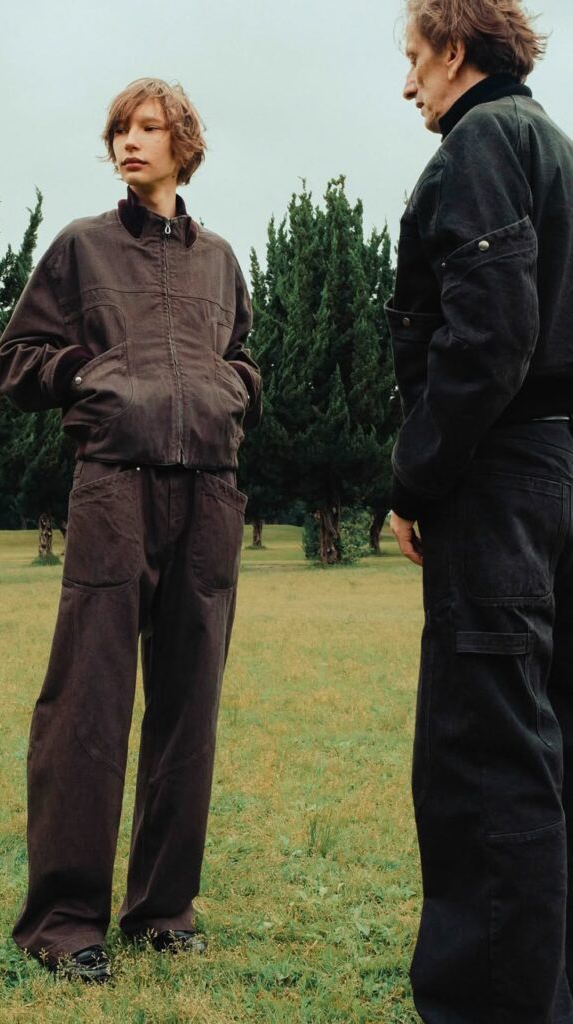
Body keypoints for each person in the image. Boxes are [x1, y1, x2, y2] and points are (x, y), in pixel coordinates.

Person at [0, 77, 261, 983]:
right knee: (88, 703)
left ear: (184, 144)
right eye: (119, 130)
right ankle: (65, 922)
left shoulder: (220, 260)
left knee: (190, 706)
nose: (129, 142)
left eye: (148, 128)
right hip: (113, 488)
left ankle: (163, 909)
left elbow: (241, 357)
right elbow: (15, 360)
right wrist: (87, 376)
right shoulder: (82, 247)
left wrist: (234, 391)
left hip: (211, 495)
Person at [388, 1, 573, 1019]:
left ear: (456, 51)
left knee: (486, 759)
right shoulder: (557, 148)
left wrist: (417, 476)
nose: (408, 82)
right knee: (549, 745)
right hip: (562, 473)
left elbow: (491, 333)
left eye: (416, 59)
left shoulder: (482, 143)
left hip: (500, 480)